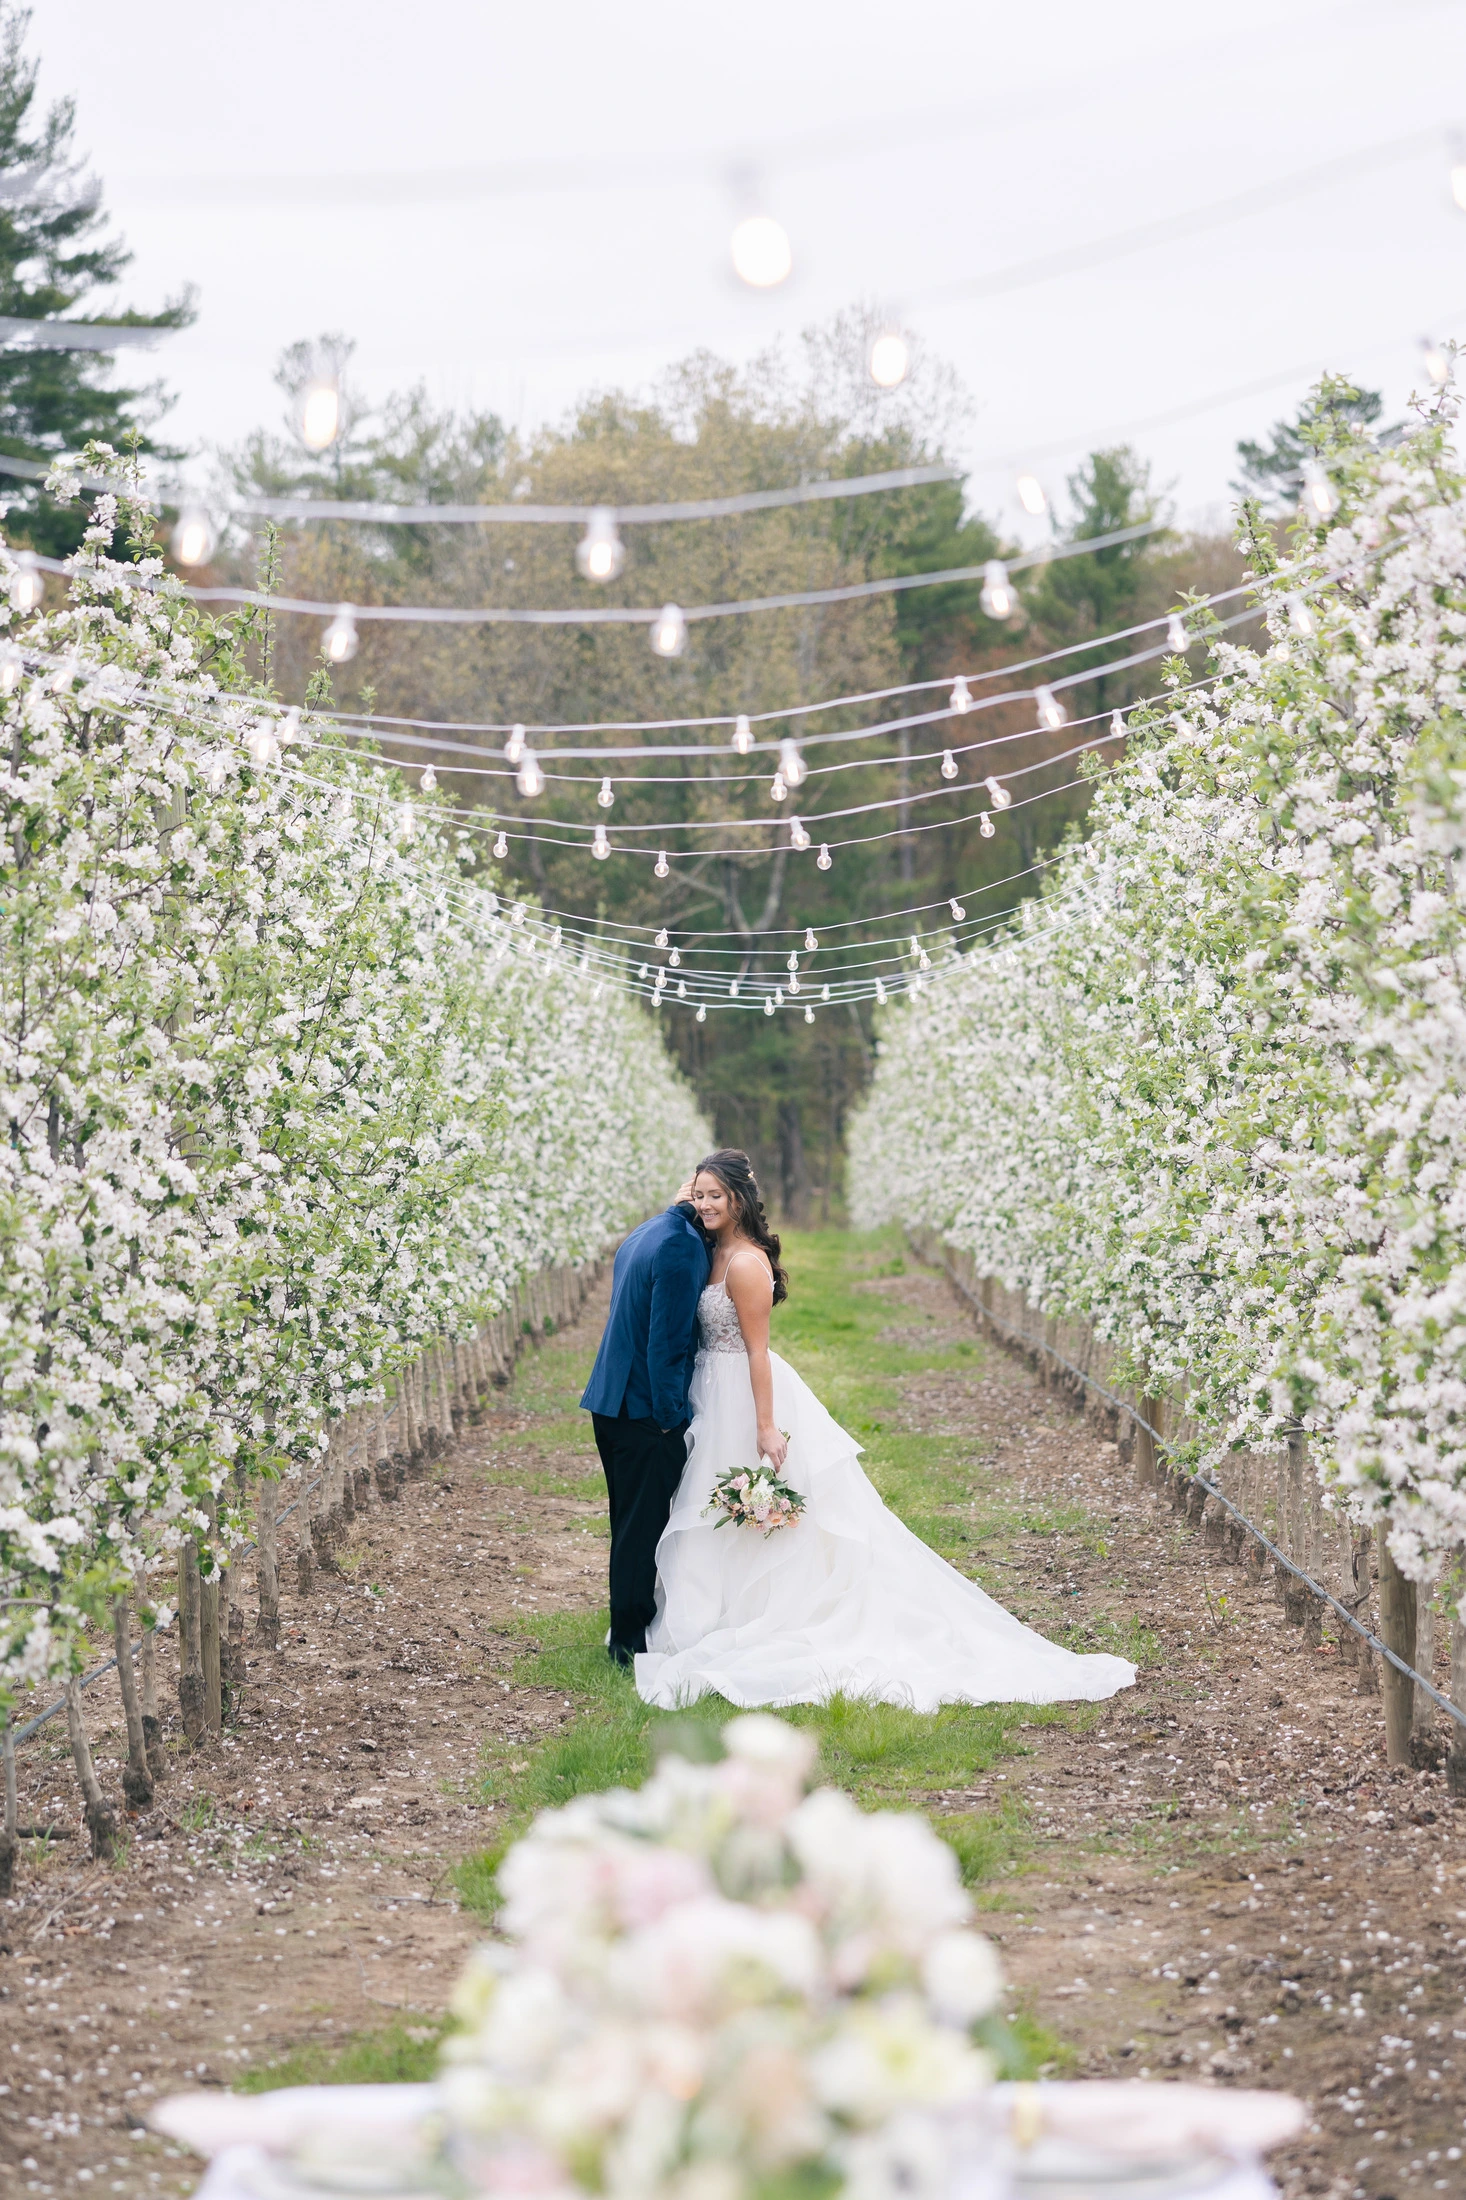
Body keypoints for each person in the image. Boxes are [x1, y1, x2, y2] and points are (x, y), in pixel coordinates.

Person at [634, 1148, 1137, 1713]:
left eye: (715, 1196)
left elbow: (757, 1352)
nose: (704, 1204)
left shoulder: (746, 1264)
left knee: (745, 1509)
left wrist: (767, 1426)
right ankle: (713, 1611)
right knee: (709, 1508)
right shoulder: (708, 1247)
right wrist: (685, 1204)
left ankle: (755, 1613)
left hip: (740, 1394)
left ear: (740, 1199)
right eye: (699, 1194)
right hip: (710, 1390)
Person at [580, 1186, 711, 1664]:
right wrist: (669, 1418)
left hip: (609, 1400)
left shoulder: (647, 1230)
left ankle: (625, 1625)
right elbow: (667, 1344)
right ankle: (629, 1642)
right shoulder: (681, 1245)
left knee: (627, 1522)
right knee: (641, 1528)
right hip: (642, 1410)